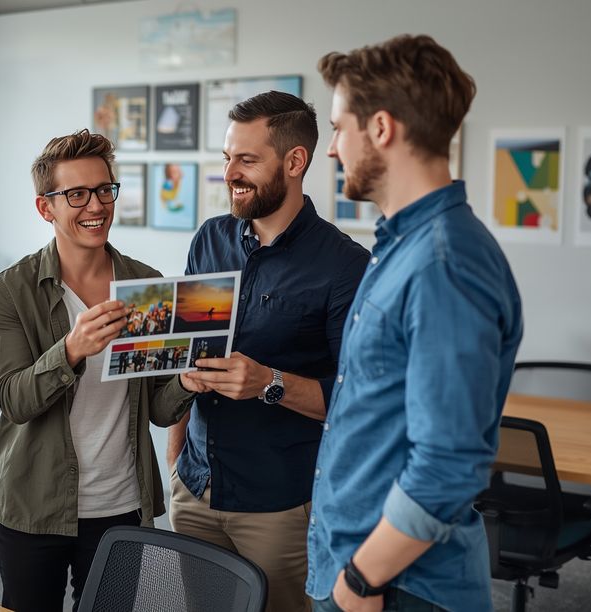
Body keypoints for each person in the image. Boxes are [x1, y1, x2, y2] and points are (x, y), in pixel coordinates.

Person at [307, 35, 523, 612]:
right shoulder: (399, 247)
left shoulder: (443, 264)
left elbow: (449, 461)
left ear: (380, 129)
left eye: (337, 128)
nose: (332, 150)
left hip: (399, 585)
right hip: (364, 566)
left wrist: (359, 580)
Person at [168, 91, 369, 612]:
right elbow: (189, 352)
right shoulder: (210, 239)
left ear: (295, 161)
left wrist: (268, 384)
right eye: (227, 158)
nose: (230, 173)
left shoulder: (345, 266)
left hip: (279, 506)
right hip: (194, 487)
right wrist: (174, 457)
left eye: (247, 160)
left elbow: (359, 402)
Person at [0, 129, 195, 612]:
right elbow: (15, 400)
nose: (95, 205)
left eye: (104, 189)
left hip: (121, 503)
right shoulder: (11, 291)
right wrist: (71, 349)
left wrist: (186, 381)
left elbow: (159, 411)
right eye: (75, 194)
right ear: (46, 208)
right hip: (32, 506)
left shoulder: (145, 286)